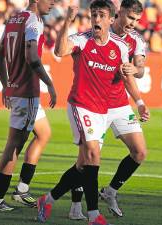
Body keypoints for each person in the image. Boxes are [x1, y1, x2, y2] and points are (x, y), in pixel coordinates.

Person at [36, 1, 129, 224]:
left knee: (82, 165)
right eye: (93, 14)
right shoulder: (82, 40)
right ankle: (94, 215)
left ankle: (47, 199)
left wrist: (132, 74)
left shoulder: (120, 48)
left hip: (101, 110)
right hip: (80, 105)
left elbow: (126, 74)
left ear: (111, 19)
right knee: (93, 157)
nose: (96, 19)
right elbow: (59, 50)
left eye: (101, 15)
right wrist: (67, 21)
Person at [67, 0, 150, 219]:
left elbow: (139, 69)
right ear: (118, 13)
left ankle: (110, 191)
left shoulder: (136, 40)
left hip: (120, 103)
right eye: (130, 18)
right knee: (86, 158)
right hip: (95, 103)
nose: (133, 24)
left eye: (137, 20)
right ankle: (76, 205)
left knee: (140, 151)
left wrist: (136, 69)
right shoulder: (100, 28)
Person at [0, 0, 56, 211]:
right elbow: (32, 57)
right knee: (14, 145)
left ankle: (22, 190)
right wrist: (50, 84)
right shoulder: (34, 21)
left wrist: (6, 84)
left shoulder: (14, 18)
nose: (53, 3)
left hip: (18, 89)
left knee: (44, 134)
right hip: (27, 93)